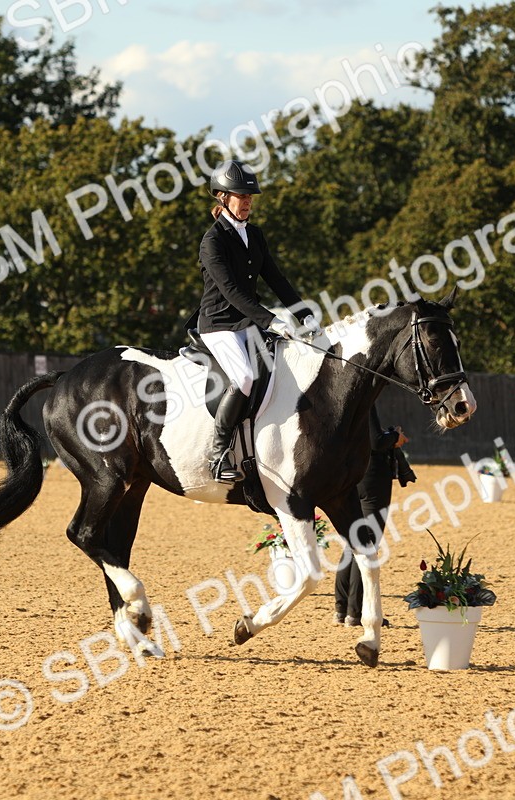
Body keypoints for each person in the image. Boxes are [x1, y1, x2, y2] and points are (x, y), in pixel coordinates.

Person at [198, 159, 320, 483]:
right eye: (241, 196)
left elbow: (276, 279)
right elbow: (232, 291)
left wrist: (304, 314)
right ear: (222, 197)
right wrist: (269, 320)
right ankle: (219, 453)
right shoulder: (213, 241)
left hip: (247, 323)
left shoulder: (254, 234)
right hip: (219, 323)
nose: (248, 202)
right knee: (245, 377)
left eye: (250, 197)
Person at [335, 407, 416, 626]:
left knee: (352, 540)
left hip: (351, 472)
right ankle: (357, 612)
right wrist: (395, 437)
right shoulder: (365, 400)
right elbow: (375, 441)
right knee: (367, 542)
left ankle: (343, 609)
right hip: (372, 477)